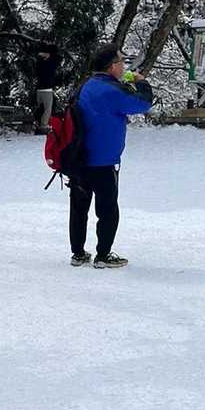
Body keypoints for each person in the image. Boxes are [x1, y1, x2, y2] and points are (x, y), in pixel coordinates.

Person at [69, 44, 153, 269]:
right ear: (112, 66)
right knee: (107, 210)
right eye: (121, 61)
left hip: (77, 158)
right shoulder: (111, 90)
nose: (124, 65)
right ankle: (103, 255)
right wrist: (141, 82)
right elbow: (142, 103)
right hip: (103, 161)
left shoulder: (84, 86)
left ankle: (78, 253)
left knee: (79, 208)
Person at [33, 43, 59, 135]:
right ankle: (43, 126)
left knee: (40, 108)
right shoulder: (51, 62)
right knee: (47, 109)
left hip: (39, 89)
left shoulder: (40, 62)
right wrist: (49, 53)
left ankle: (38, 124)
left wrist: (42, 55)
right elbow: (55, 57)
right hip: (47, 89)